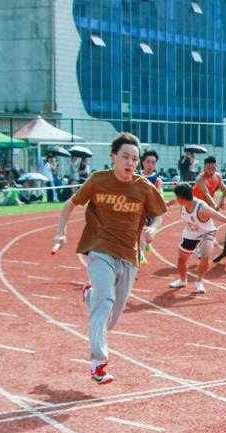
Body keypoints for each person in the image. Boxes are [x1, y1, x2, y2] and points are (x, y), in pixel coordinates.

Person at [52, 132, 168, 385]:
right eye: (125, 157)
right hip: (100, 248)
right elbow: (70, 204)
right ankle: (98, 363)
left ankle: (89, 295)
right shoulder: (98, 180)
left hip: (129, 255)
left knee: (111, 321)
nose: (130, 162)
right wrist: (61, 232)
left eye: (134, 159)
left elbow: (158, 215)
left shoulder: (143, 187)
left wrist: (153, 228)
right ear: (114, 157)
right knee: (104, 304)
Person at [168, 183, 226, 294]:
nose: (176, 199)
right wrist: (166, 204)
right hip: (191, 233)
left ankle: (199, 282)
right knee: (181, 259)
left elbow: (224, 218)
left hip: (207, 232)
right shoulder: (181, 201)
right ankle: (182, 281)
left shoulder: (202, 208)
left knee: (205, 255)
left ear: (181, 198)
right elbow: (171, 202)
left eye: (177, 197)